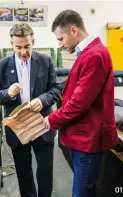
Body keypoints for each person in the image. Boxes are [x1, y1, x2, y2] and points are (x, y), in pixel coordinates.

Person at [44, 10, 118, 197]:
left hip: (89, 138)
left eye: (61, 39)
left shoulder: (94, 55)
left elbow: (79, 102)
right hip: (84, 136)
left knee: (82, 192)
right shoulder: (89, 53)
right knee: (83, 188)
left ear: (74, 30)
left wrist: (52, 119)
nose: (60, 45)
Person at [0, 23, 61, 197]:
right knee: (23, 172)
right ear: (11, 45)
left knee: (45, 171)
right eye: (18, 47)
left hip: (41, 124)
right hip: (17, 128)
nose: (23, 52)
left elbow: (56, 90)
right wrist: (7, 93)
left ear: (33, 42)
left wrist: (42, 100)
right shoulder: (1, 66)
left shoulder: (46, 61)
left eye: (27, 46)